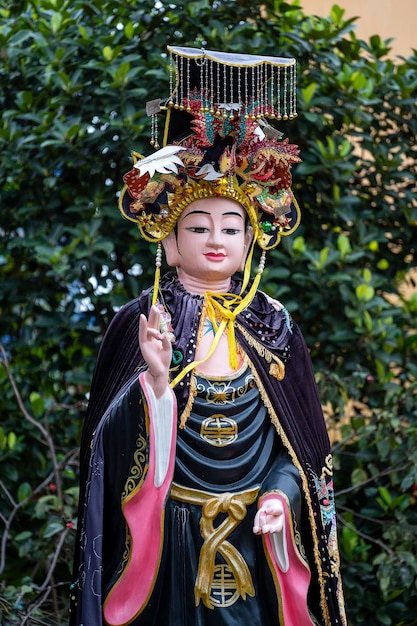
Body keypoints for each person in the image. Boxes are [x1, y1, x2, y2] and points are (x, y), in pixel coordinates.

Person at [70, 46, 347, 626]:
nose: (215, 238)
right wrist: (155, 382)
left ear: (252, 239)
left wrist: (280, 497)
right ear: (169, 242)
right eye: (197, 226)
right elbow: (106, 450)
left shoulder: (272, 324)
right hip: (169, 543)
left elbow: (300, 449)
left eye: (231, 225)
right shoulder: (142, 320)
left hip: (257, 540)